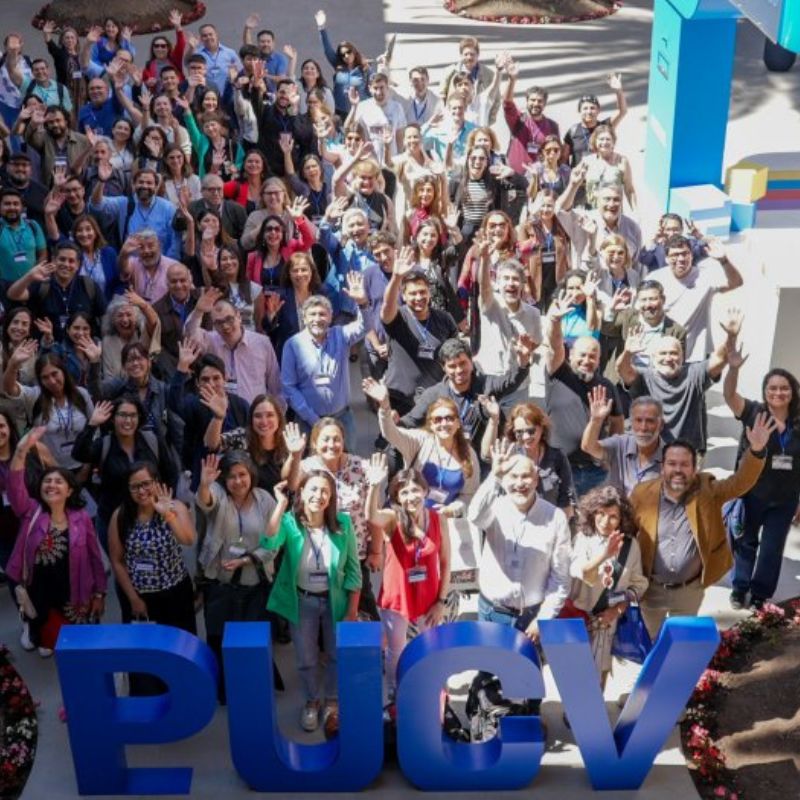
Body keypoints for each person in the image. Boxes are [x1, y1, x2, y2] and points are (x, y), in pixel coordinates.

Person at [629, 416, 773, 637]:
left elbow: (740, 483)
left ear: (695, 469)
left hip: (689, 590)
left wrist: (756, 451)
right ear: (662, 467)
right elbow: (626, 532)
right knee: (650, 642)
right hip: (651, 590)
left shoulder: (708, 490)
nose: (678, 469)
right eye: (672, 464)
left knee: (680, 642)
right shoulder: (642, 494)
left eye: (685, 464)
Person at [262, 473, 361, 733]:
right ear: (302, 492)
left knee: (336, 654)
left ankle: (332, 700)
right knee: (306, 658)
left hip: (335, 601)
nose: (319, 495)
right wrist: (281, 504)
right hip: (302, 601)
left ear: (331, 497)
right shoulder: (290, 522)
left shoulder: (343, 523)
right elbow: (268, 541)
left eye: (325, 491)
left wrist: (352, 610)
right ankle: (312, 701)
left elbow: (354, 570)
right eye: (313, 489)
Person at [6, 426, 106, 657]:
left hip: (76, 595)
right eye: (47, 481)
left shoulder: (82, 518)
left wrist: (100, 593)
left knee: (80, 648)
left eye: (58, 481)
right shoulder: (30, 511)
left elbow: (95, 558)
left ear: (69, 491)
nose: (51, 484)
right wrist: (20, 451)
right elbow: (14, 488)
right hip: (41, 596)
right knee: (53, 644)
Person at [108, 462, 196, 693]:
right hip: (141, 599)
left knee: (180, 649)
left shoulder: (175, 507)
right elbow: (117, 560)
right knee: (147, 656)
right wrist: (133, 599)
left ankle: (183, 694)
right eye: (134, 486)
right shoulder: (121, 516)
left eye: (146, 484)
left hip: (175, 594)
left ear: (157, 482)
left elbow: (188, 539)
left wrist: (168, 514)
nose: (141, 491)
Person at [469, 439, 571, 637]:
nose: (519, 483)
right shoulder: (494, 508)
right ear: (504, 480)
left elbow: (561, 577)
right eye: (513, 476)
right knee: (488, 659)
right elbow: (474, 516)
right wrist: (494, 475)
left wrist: (543, 618)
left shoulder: (555, 517)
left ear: (536, 480)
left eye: (525, 476)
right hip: (491, 612)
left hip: (532, 618)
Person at [366, 458, 450, 697]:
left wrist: (441, 601)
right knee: (396, 649)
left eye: (415, 490)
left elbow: (446, 561)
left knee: (432, 647)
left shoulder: (438, 519)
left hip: (429, 596)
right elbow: (372, 517)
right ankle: (394, 691)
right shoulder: (392, 518)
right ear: (397, 497)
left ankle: (436, 690)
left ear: (425, 491)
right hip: (397, 595)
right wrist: (374, 486)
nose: (411, 497)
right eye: (404, 492)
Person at [196, 451, 277, 698]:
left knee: (253, 640)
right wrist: (204, 484)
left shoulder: (264, 500)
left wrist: (247, 560)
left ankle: (254, 689)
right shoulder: (218, 494)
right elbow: (206, 502)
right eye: (231, 476)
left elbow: (275, 542)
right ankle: (225, 690)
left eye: (242, 474)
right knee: (221, 638)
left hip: (256, 583)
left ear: (251, 474)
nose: (238, 481)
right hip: (221, 584)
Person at [724, 357, 800, 610]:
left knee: (771, 549)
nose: (778, 393)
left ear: (792, 392)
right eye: (772, 388)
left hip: (785, 499)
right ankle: (739, 588)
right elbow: (729, 396)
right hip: (752, 494)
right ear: (765, 391)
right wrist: (733, 368)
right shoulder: (754, 413)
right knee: (745, 543)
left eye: (784, 388)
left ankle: (760, 593)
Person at [292, 415, 380, 620]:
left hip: (356, 554)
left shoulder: (361, 467)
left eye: (336, 439)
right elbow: (291, 484)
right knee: (326, 613)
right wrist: (294, 455)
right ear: (314, 443)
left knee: (364, 611)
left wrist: (376, 551)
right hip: (319, 555)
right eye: (325, 439)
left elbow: (373, 510)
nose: (331, 445)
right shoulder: (305, 468)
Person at [617, 311, 741, 452]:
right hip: (650, 452)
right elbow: (623, 370)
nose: (668, 358)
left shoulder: (694, 373)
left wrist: (731, 337)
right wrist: (627, 353)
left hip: (687, 453)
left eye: (674, 353)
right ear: (653, 357)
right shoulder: (644, 377)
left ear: (682, 357)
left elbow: (719, 359)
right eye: (663, 353)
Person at [400, 337, 534, 463]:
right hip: (445, 460)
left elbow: (509, 381)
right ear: (443, 367)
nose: (459, 370)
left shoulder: (485, 385)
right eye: (452, 366)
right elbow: (410, 421)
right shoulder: (433, 395)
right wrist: (392, 420)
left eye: (463, 363)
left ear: (471, 362)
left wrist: (522, 362)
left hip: (479, 460)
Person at [364, 378, 481, 518]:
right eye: (438, 419)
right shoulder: (421, 440)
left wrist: (452, 510)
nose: (444, 423)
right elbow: (390, 433)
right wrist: (384, 405)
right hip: (405, 516)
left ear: (458, 423)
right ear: (431, 424)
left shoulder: (468, 454)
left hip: (438, 522)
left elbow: (469, 495)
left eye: (449, 418)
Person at [569, 485, 648, 687]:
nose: (605, 522)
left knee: (599, 676)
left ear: (622, 519)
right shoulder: (583, 539)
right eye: (601, 514)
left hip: (606, 623)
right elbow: (583, 573)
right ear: (592, 513)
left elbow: (638, 585)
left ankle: (596, 706)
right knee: (575, 676)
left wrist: (617, 610)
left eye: (613, 516)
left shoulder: (631, 546)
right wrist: (605, 555)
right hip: (579, 619)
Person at [543, 296, 624, 495]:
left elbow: (618, 421)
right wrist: (555, 321)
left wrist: (610, 454)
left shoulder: (607, 386)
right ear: (571, 355)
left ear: (599, 360)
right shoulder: (558, 374)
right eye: (582, 355)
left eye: (592, 356)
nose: (587, 360)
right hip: (558, 467)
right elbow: (554, 346)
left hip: (594, 472)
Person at [72, 396, 175, 546]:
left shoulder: (152, 441)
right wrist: (92, 424)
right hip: (113, 520)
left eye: (133, 415)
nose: (128, 421)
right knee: (118, 560)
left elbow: (169, 474)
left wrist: (168, 505)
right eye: (122, 415)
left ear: (139, 418)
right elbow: (78, 454)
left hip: (152, 517)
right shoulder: (104, 445)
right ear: (113, 418)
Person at [281, 290, 366, 445]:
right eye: (312, 314)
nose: (317, 319)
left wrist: (362, 304)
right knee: (307, 460)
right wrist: (313, 419)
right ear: (304, 318)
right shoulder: (293, 345)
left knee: (349, 458)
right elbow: (288, 387)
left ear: (331, 317)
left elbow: (365, 326)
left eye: (322, 314)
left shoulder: (341, 334)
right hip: (308, 422)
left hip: (342, 419)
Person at [379, 252, 458, 415]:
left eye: (422, 292)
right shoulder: (397, 317)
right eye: (413, 293)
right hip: (399, 399)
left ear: (429, 292)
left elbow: (454, 355)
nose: (418, 297)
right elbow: (387, 306)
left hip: (434, 399)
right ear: (403, 296)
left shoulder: (445, 319)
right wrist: (396, 277)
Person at [647, 234, 744, 362]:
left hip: (696, 355)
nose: (681, 259)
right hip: (663, 355)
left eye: (685, 253)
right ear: (666, 259)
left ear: (691, 255)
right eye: (675, 255)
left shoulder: (704, 275)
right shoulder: (654, 278)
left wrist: (724, 260)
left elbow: (736, 283)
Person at [184, 288, 283, 406]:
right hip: (220, 412)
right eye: (219, 323)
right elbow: (191, 335)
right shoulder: (209, 340)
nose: (225, 326)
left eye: (229, 319)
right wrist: (198, 312)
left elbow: (276, 387)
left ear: (239, 316)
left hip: (254, 413)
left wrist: (277, 413)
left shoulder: (262, 343)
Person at [2, 348, 93, 474]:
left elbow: (93, 430)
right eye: (45, 377)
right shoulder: (35, 396)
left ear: (63, 372)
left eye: (54, 374)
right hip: (48, 469)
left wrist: (87, 467)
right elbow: (10, 389)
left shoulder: (81, 394)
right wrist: (13, 365)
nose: (52, 381)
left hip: (82, 467)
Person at [7, 242, 107, 342]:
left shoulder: (88, 285)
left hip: (82, 346)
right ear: (53, 260)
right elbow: (12, 295)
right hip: (46, 346)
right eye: (62, 259)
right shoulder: (42, 284)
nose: (66, 264)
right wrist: (29, 276)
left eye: (71, 261)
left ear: (78, 264)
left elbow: (104, 316)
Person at [582, 390, 665, 497]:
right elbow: (588, 447)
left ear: (661, 424)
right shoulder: (620, 444)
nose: (643, 428)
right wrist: (596, 420)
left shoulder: (670, 457)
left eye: (650, 421)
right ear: (631, 423)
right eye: (638, 420)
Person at [500, 402, 575, 516]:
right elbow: (501, 495)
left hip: (551, 520)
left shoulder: (557, 457)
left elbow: (566, 496)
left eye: (531, 431)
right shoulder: (509, 457)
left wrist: (561, 523)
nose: (526, 437)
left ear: (541, 428)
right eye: (519, 432)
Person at [502, 60, 559, 173]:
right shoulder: (518, 119)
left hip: (538, 177)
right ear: (527, 101)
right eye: (532, 100)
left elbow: (556, 152)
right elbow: (507, 103)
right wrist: (512, 79)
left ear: (545, 104)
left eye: (540, 101)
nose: (536, 104)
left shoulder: (552, 126)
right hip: (514, 176)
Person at [315, 10, 372, 117]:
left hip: (360, 111)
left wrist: (384, 69)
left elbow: (374, 82)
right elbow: (327, 50)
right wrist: (321, 28)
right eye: (342, 55)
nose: (346, 56)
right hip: (340, 111)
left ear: (354, 52)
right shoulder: (339, 67)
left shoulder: (364, 68)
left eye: (348, 52)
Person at [563, 76, 627, 168]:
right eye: (585, 108)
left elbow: (622, 111)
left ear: (598, 110)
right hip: (579, 175)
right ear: (579, 111)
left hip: (601, 173)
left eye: (592, 108)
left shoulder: (604, 127)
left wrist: (618, 90)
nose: (589, 112)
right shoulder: (573, 131)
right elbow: (564, 158)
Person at [582, 125, 637, 212]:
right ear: (595, 141)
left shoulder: (622, 161)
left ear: (613, 142)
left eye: (608, 139)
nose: (604, 142)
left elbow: (629, 190)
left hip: (613, 212)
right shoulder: (587, 161)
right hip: (591, 212)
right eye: (601, 139)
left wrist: (635, 212)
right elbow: (576, 184)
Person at [0, 188, 47, 282]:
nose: (12, 207)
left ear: (22, 207)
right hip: (4, 285)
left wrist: (35, 275)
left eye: (16, 204)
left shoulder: (33, 226)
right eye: (7, 204)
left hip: (32, 283)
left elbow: (42, 254)